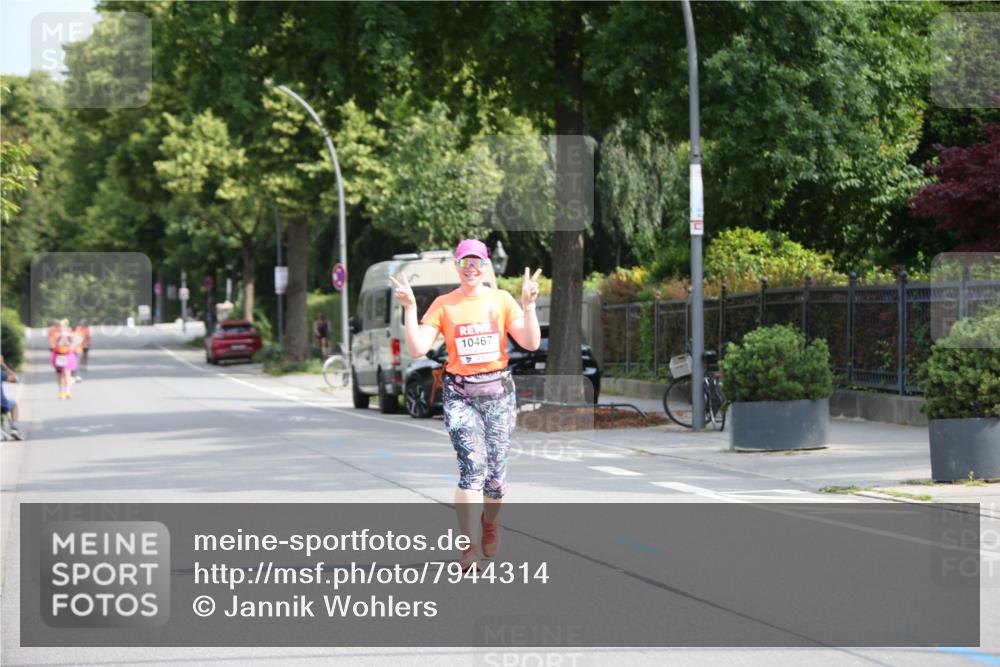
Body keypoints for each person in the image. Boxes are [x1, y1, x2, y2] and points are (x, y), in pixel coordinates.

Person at [390, 239, 542, 571]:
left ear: (485, 265)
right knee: (471, 469)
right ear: (457, 266)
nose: (470, 267)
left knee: (496, 479)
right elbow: (417, 349)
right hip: (460, 394)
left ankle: (490, 523)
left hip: (498, 394)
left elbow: (530, 342)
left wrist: (528, 306)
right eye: (464, 262)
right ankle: (468, 547)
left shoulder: (501, 300)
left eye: (476, 261)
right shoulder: (445, 304)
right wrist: (410, 309)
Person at [51, 319, 78, 400]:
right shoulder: (56, 334)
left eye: (63, 325)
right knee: (60, 375)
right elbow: (53, 344)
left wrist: (71, 345)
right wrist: (60, 338)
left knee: (67, 373)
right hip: (58, 355)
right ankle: (61, 392)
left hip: (67, 355)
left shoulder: (70, 334)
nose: (62, 327)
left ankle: (68, 391)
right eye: (60, 325)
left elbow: (76, 341)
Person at [1, 355, 22, 440]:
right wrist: (3, 365)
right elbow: (16, 379)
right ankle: (14, 429)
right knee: (14, 404)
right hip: (1, 404)